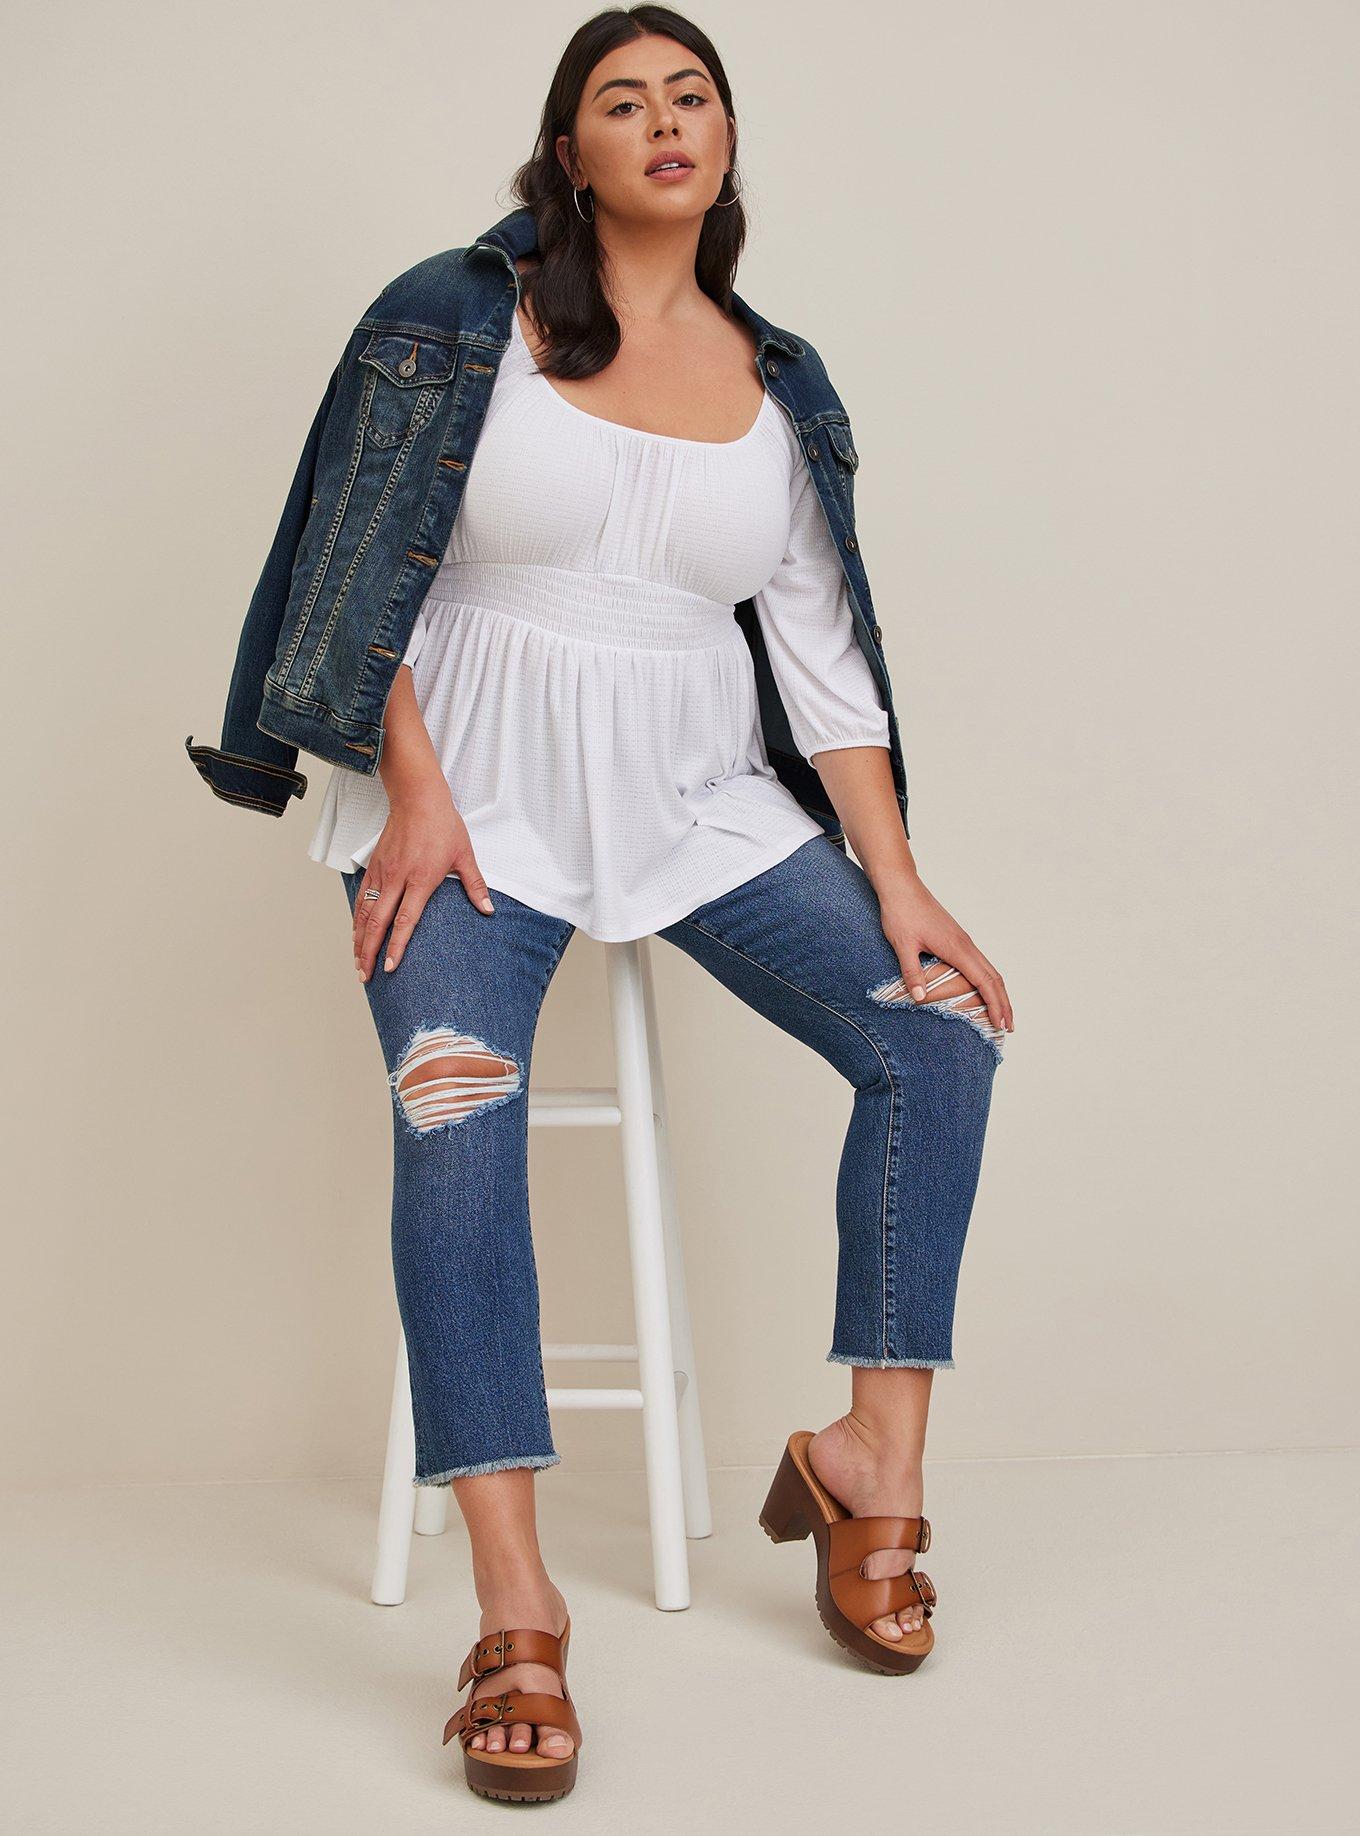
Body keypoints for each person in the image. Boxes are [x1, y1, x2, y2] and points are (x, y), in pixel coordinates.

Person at [236, 5, 1012, 1805]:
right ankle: (517, 1606)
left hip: (690, 798)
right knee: (456, 1109)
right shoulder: (456, 318)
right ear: (568, 151)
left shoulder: (779, 381)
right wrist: (408, 786)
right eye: (622, 100)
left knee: (943, 1034)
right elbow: (354, 564)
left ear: (724, 141)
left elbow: (823, 664)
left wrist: (898, 880)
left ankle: (873, 1465)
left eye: (692, 96)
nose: (665, 121)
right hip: (464, 805)